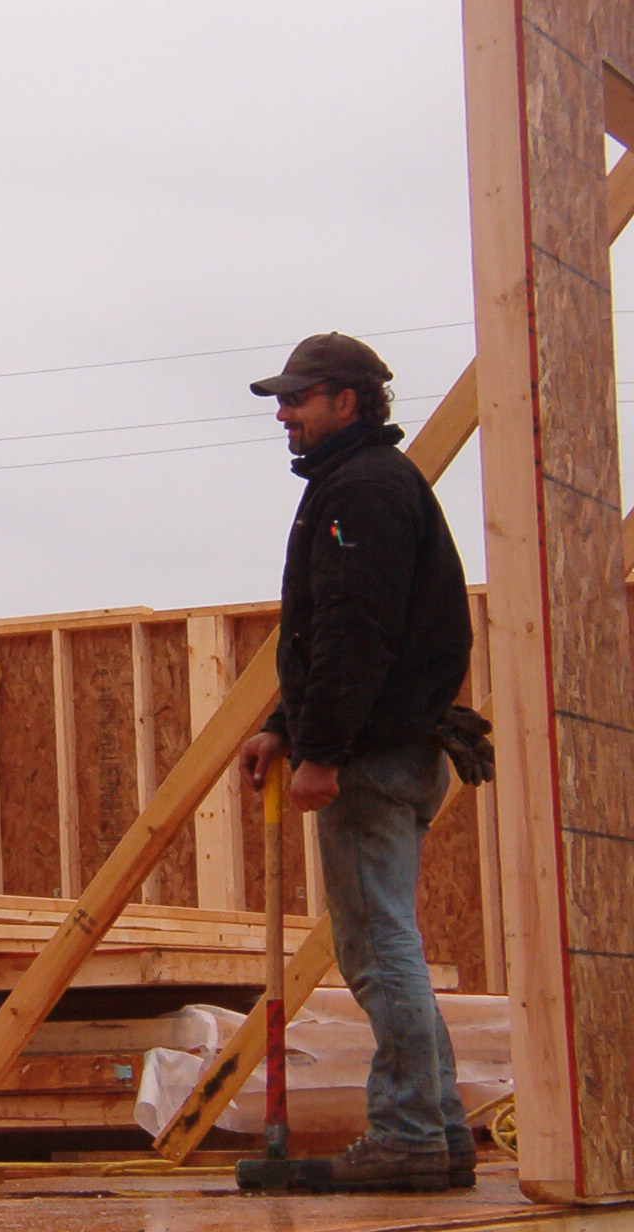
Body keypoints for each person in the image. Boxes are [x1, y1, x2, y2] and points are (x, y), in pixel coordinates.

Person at [238, 333, 484, 1194]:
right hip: (390, 746)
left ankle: (411, 1133)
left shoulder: (363, 492)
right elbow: (332, 635)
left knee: (379, 951)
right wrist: (281, 722)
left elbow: (355, 632)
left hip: (372, 757)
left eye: (298, 399)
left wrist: (322, 751)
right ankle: (440, 1131)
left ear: (347, 401)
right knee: (390, 943)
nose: (284, 414)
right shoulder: (368, 486)